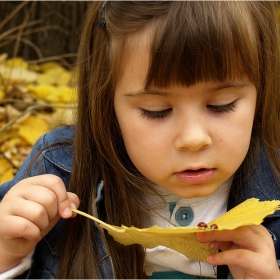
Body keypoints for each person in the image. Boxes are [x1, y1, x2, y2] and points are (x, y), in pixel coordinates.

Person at [0, 1, 280, 279]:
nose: (194, 139)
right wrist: (7, 254)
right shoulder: (58, 173)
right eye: (156, 111)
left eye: (222, 105)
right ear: (107, 103)